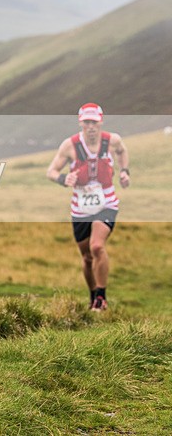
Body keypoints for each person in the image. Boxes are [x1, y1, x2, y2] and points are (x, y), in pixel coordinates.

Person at [46, 103, 130, 311]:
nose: (91, 126)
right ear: (80, 123)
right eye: (87, 122)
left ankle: (101, 298)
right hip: (81, 207)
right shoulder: (70, 146)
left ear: (101, 121)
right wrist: (65, 178)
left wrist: (124, 171)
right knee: (87, 256)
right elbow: (51, 171)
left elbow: (122, 151)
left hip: (107, 202)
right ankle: (93, 295)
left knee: (97, 246)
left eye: (94, 122)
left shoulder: (112, 141)